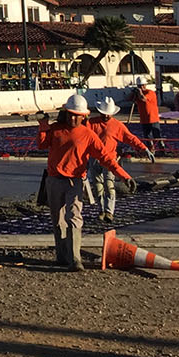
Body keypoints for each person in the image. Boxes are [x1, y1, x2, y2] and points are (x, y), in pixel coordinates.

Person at [35, 94, 134, 271]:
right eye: (70, 114)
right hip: (54, 180)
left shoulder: (88, 135)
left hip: (75, 182)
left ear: (84, 116)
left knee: (74, 217)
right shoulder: (56, 129)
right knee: (58, 220)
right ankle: (62, 256)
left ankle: (75, 259)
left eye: (77, 115)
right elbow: (42, 145)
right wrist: (43, 125)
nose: (73, 118)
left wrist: (124, 176)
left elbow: (106, 158)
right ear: (65, 113)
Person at [88, 98, 155, 223]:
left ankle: (109, 211)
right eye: (104, 113)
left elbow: (130, 138)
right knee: (98, 186)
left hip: (110, 160)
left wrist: (143, 148)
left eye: (108, 113)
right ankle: (101, 210)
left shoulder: (116, 125)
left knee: (109, 184)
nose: (106, 115)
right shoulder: (91, 123)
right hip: (94, 159)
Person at [131, 76, 162, 153]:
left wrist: (140, 92)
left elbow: (143, 99)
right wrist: (134, 93)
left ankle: (162, 149)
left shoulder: (150, 92)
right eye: (139, 86)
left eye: (142, 85)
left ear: (145, 85)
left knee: (156, 135)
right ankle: (151, 150)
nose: (141, 87)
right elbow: (130, 99)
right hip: (144, 118)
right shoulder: (137, 94)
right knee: (147, 136)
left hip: (152, 118)